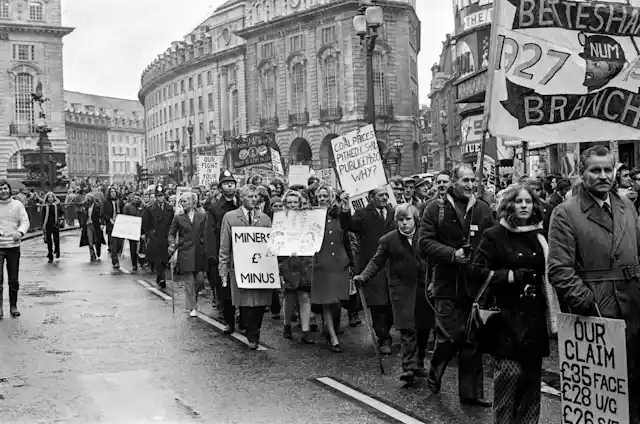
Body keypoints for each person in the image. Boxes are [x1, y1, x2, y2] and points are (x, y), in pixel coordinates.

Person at [548, 145, 640, 423]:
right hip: (598, 310)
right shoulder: (566, 212)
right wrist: (587, 302)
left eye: (607, 169)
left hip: (633, 303)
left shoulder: (626, 205)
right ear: (581, 173)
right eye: (595, 170)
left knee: (634, 380)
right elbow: (559, 269)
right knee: (601, 391)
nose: (603, 176)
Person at [473, 183, 551, 423]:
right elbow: (477, 271)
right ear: (509, 205)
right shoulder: (494, 235)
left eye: (528, 201)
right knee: (509, 376)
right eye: (519, 201)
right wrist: (510, 276)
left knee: (530, 382)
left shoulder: (540, 236)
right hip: (504, 317)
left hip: (534, 317)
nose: (524, 206)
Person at [417, 165, 494, 406]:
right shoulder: (435, 208)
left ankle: (472, 393)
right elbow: (424, 243)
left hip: (475, 285)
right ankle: (435, 369)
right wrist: (452, 254)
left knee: (472, 339)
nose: (470, 185)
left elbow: (492, 241)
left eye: (473, 180)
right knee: (451, 336)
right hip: (446, 283)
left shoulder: (482, 208)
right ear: (454, 181)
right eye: (465, 181)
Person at [353, 203, 430, 384]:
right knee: (407, 327)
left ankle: (418, 362)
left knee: (424, 328)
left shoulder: (425, 236)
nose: (404, 223)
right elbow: (376, 261)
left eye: (407, 219)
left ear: (415, 219)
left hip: (423, 288)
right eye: (400, 220)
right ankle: (409, 367)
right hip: (401, 289)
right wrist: (363, 277)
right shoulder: (389, 240)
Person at [340, 186, 396, 354]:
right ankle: (384, 338)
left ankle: (387, 330)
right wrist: (344, 207)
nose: (385, 198)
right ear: (371, 197)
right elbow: (348, 224)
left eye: (386, 194)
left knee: (391, 306)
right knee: (378, 306)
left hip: (392, 266)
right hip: (373, 268)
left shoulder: (393, 212)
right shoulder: (362, 214)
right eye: (381, 195)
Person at [218, 184, 273, 349]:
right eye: (250, 196)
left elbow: (270, 245)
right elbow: (224, 246)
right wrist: (223, 270)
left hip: (260, 268)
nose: (254, 199)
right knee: (246, 303)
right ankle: (250, 331)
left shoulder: (264, 218)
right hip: (240, 268)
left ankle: (254, 333)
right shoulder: (230, 217)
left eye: (256, 196)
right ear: (241, 198)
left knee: (260, 303)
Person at [313, 185, 353, 352]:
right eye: (320, 196)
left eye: (325, 196)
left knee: (337, 301)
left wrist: (352, 262)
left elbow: (347, 240)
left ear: (331, 197)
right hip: (321, 263)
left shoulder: (338, 215)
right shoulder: (312, 216)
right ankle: (333, 337)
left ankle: (332, 329)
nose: (322, 199)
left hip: (339, 263)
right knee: (326, 302)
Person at [204, 171, 240, 333]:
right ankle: (229, 321)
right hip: (223, 254)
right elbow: (209, 235)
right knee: (225, 292)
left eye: (232, 182)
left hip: (241, 253)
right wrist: (213, 258)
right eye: (226, 183)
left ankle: (244, 320)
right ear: (220, 187)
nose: (230, 185)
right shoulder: (215, 209)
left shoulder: (242, 204)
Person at [279, 190, 314, 344]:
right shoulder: (279, 220)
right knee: (290, 295)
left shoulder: (306, 219)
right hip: (287, 261)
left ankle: (305, 331)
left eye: (295, 202)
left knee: (304, 295)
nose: (293, 205)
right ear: (285, 204)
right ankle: (287, 325)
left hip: (304, 261)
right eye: (290, 202)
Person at [169, 192, 207, 317]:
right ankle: (192, 307)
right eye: (181, 202)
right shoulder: (178, 218)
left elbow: (207, 232)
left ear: (191, 201)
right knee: (189, 280)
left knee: (200, 280)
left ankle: (193, 298)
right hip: (185, 251)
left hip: (199, 252)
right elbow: (172, 233)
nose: (182, 204)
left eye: (185, 201)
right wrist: (172, 244)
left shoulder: (202, 216)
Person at [0, 180, 30, 317]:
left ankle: (13, 305)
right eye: (0, 189)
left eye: (5, 188)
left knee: (13, 278)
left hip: (13, 245)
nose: (3, 191)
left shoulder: (17, 205)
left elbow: (25, 221)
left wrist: (20, 232)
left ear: (9, 190)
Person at [142, 185, 174, 288]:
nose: (160, 198)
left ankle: (160, 274)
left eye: (162, 196)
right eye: (158, 196)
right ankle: (161, 277)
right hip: (156, 237)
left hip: (166, 236)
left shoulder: (169, 208)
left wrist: (171, 234)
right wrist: (150, 233)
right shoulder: (150, 209)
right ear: (155, 197)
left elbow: (172, 223)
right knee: (157, 258)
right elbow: (146, 224)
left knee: (165, 258)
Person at [117, 192, 145, 271]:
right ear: (133, 198)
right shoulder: (127, 206)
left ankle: (142, 261)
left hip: (141, 229)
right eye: (135, 198)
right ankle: (134, 264)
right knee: (133, 247)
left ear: (140, 198)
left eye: (138, 198)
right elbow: (125, 218)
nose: (136, 200)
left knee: (142, 247)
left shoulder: (143, 206)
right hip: (132, 230)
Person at [79, 193, 105, 262]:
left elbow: (101, 215)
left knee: (97, 240)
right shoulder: (85, 206)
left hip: (96, 224)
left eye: (88, 199)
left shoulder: (97, 205)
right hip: (88, 225)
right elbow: (83, 216)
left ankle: (98, 251)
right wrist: (82, 225)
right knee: (90, 240)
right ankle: (92, 255)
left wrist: (102, 224)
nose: (87, 200)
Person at [41, 191, 64, 263]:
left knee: (56, 239)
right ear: (47, 198)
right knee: (49, 241)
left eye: (51, 197)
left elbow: (62, 212)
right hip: (47, 224)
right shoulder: (44, 206)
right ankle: (50, 255)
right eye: (49, 197)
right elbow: (42, 217)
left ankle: (57, 251)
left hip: (55, 224)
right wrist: (42, 226)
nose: (50, 199)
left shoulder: (56, 205)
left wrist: (61, 219)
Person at [103, 187, 124, 257]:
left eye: (114, 191)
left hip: (119, 223)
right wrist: (109, 219)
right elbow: (103, 213)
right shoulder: (106, 202)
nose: (113, 193)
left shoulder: (119, 201)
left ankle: (117, 250)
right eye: (111, 192)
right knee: (113, 241)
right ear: (109, 193)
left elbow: (123, 211)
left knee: (119, 241)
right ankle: (114, 258)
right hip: (111, 223)